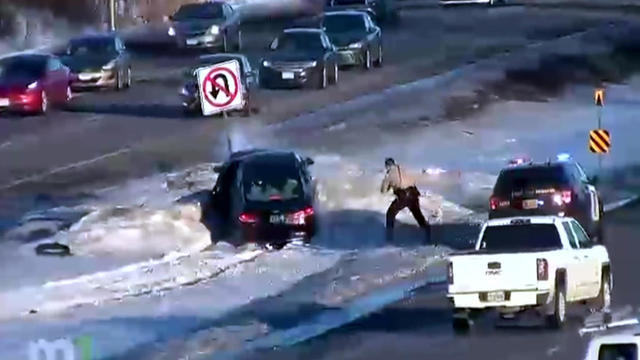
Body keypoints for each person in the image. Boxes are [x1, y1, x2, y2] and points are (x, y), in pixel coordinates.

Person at [380, 158, 432, 243]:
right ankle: (428, 233)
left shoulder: (389, 174)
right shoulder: (405, 169)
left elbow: (383, 190)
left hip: (403, 196)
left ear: (387, 166)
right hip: (413, 193)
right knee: (418, 214)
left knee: (390, 214)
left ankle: (389, 238)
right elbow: (416, 177)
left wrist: (387, 180)